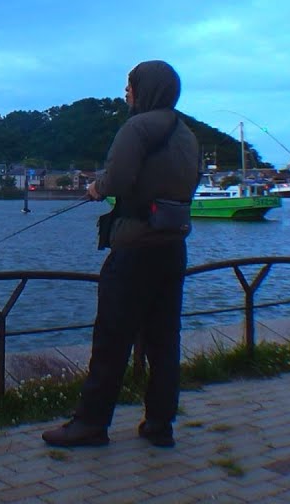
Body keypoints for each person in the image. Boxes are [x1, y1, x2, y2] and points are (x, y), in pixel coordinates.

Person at [42, 60, 201, 449]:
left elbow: (118, 179)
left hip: (135, 248)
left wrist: (97, 188)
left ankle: (91, 424)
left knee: (112, 340)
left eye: (130, 86)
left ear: (146, 89)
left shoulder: (137, 127)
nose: (126, 92)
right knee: (164, 340)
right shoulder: (187, 134)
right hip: (173, 246)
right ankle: (160, 425)